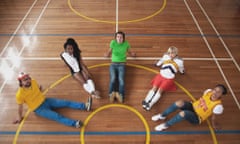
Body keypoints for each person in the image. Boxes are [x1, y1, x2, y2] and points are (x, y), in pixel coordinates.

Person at [13, 72, 92, 128]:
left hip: (45, 101)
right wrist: (20, 117)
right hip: (39, 109)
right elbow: (20, 107)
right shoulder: (19, 94)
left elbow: (38, 88)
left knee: (65, 102)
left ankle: (85, 106)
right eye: (24, 80)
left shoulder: (33, 81)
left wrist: (40, 89)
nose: (27, 80)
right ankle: (75, 124)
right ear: (21, 82)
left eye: (27, 78)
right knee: (57, 116)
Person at [151, 84, 227, 131]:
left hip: (197, 117)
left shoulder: (218, 106)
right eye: (215, 90)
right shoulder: (208, 91)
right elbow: (202, 98)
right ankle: (162, 116)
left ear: (221, 95)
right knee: (179, 102)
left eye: (218, 92)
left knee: (183, 113)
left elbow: (213, 117)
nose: (215, 93)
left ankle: (166, 125)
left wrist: (214, 125)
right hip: (192, 106)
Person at [142, 46, 185, 110]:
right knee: (154, 88)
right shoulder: (165, 56)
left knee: (160, 91)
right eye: (169, 53)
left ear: (176, 53)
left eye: (172, 53)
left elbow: (181, 68)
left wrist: (182, 72)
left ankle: (150, 104)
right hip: (160, 75)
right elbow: (161, 60)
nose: (170, 55)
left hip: (169, 79)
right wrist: (157, 64)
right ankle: (146, 100)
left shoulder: (180, 61)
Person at [104, 31, 136, 103]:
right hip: (113, 64)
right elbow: (109, 51)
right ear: (115, 38)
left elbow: (129, 51)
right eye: (118, 37)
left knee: (121, 80)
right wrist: (107, 54)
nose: (119, 38)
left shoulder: (126, 44)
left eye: (121, 37)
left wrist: (133, 54)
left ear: (123, 38)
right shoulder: (113, 42)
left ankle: (121, 95)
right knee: (113, 79)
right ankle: (111, 94)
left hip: (122, 64)